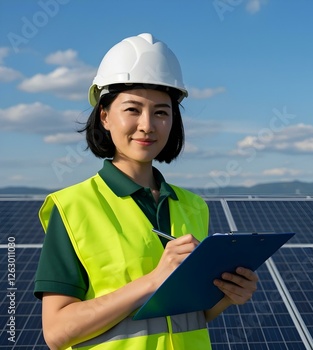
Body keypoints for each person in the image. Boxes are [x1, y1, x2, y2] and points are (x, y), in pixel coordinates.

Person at [34, 33, 258, 350]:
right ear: (105, 116)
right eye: (132, 109)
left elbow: (192, 314)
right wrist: (153, 280)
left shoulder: (193, 206)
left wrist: (228, 295)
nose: (147, 125)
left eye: (161, 112)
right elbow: (57, 332)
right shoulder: (72, 207)